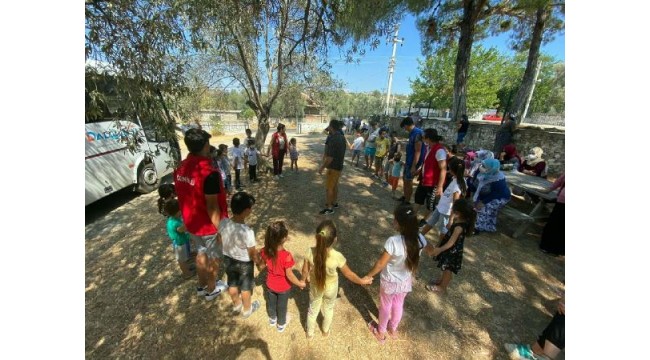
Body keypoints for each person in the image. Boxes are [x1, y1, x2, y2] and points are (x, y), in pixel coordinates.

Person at [174, 128, 229, 301]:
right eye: (208, 143)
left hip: (192, 224)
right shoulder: (208, 174)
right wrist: (220, 230)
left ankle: (201, 285)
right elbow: (212, 206)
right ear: (205, 145)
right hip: (208, 226)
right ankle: (211, 289)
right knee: (214, 258)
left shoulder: (180, 167)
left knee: (200, 253)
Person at [364, 204, 431, 343]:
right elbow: (431, 250)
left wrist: (369, 275)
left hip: (389, 281)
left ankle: (380, 332)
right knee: (398, 304)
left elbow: (380, 264)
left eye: (395, 220)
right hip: (406, 280)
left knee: (385, 306)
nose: (393, 222)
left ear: (401, 224)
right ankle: (393, 329)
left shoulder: (393, 241)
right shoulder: (420, 239)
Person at [301, 220, 372, 339]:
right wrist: (362, 281)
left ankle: (309, 333)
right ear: (335, 240)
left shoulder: (310, 251)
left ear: (317, 237)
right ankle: (325, 331)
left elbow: (304, 270)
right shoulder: (337, 257)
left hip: (315, 287)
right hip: (331, 288)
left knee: (312, 310)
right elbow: (349, 274)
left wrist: (303, 281)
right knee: (328, 309)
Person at [259, 221, 306, 333]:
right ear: (284, 238)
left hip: (270, 284)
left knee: (271, 302)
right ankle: (280, 324)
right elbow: (289, 275)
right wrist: (300, 283)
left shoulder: (265, 251)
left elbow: (261, 265)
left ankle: (272, 319)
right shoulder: (286, 256)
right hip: (283, 288)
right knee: (281, 306)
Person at [219, 191, 260, 317]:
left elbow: (219, 239)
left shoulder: (224, 222)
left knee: (232, 283)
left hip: (228, 259)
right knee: (245, 288)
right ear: (247, 210)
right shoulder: (247, 232)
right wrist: (259, 262)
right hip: (244, 263)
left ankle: (237, 305)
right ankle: (247, 309)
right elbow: (252, 253)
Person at [425, 198, 476, 294]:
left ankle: (443, 287)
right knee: (445, 268)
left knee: (448, 269)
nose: (451, 210)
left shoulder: (459, 227)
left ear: (459, 213)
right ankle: (442, 281)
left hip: (452, 251)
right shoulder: (460, 221)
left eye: (453, 209)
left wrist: (440, 249)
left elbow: (451, 243)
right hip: (450, 250)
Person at [421, 157, 467, 241]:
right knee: (431, 222)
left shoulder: (457, 185)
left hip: (446, 212)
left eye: (449, 168)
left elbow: (455, 202)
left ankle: (439, 247)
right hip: (440, 207)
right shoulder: (456, 178)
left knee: (443, 231)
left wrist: (451, 219)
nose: (448, 170)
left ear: (453, 170)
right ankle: (420, 236)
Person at [413, 128, 447, 226]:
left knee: (430, 204)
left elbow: (443, 169)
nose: (422, 139)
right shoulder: (429, 148)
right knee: (418, 198)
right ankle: (412, 217)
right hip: (425, 180)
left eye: (424, 138)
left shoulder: (439, 151)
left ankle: (424, 220)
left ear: (428, 138)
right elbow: (426, 162)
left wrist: (440, 186)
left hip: (433, 183)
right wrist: (420, 170)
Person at [473, 159, 511, 234]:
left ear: (491, 168)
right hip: (488, 195)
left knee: (485, 207)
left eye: (484, 166)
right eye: (482, 165)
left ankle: (477, 228)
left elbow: (496, 194)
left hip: (501, 197)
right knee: (479, 206)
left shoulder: (499, 179)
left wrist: (483, 202)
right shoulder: (482, 173)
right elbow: (478, 187)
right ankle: (488, 226)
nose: (481, 167)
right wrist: (478, 199)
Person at [318, 119, 347, 215]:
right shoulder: (342, 137)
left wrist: (322, 167)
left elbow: (330, 158)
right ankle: (334, 202)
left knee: (329, 188)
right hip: (339, 166)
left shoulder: (333, 139)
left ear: (331, 127)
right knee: (335, 185)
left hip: (333, 167)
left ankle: (329, 208)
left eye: (329, 126)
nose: (328, 127)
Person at [164, 198, 195, 279]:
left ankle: (187, 268)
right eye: (181, 210)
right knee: (181, 260)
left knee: (184, 257)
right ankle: (187, 273)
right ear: (177, 212)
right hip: (180, 244)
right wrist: (189, 222)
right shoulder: (176, 223)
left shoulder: (171, 219)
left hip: (180, 241)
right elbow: (182, 229)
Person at [399, 116, 425, 205]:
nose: (404, 129)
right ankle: (405, 196)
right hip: (409, 160)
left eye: (404, 127)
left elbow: (418, 151)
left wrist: (414, 166)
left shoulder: (417, 133)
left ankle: (407, 201)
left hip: (413, 162)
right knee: (405, 178)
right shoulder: (412, 133)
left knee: (408, 180)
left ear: (407, 125)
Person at [539, 173, 565, 256]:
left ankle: (558, 249)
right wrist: (549, 189)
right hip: (562, 201)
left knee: (562, 227)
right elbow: (559, 181)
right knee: (555, 223)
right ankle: (547, 246)